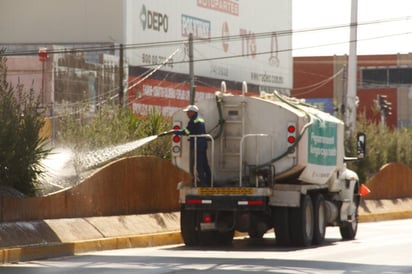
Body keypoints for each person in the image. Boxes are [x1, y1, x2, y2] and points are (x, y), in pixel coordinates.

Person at [170, 105, 211, 187]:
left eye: (188, 112)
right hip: (202, 144)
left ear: (193, 112)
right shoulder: (199, 118)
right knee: (205, 164)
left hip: (198, 144)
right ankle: (209, 181)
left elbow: (187, 131)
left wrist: (175, 131)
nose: (187, 114)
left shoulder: (194, 120)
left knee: (199, 165)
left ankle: (202, 183)